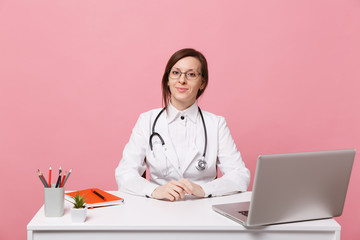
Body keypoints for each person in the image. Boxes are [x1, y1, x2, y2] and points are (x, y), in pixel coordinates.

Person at [115, 48, 250, 201]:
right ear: (167, 79)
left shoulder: (216, 124)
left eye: (191, 74)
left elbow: (240, 176)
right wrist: (155, 190)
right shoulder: (147, 120)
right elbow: (124, 173)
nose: (182, 80)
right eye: (175, 73)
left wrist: (204, 189)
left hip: (204, 212)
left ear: (202, 83)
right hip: (158, 211)